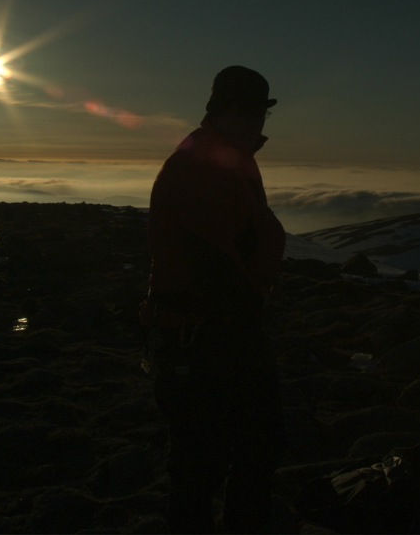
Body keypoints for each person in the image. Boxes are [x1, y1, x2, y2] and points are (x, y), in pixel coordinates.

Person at [143, 65, 286, 533]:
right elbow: (219, 258)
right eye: (244, 110)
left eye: (260, 111)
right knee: (205, 462)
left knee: (243, 451)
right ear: (220, 111)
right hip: (204, 337)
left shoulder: (230, 156)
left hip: (219, 331)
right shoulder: (200, 164)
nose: (256, 120)